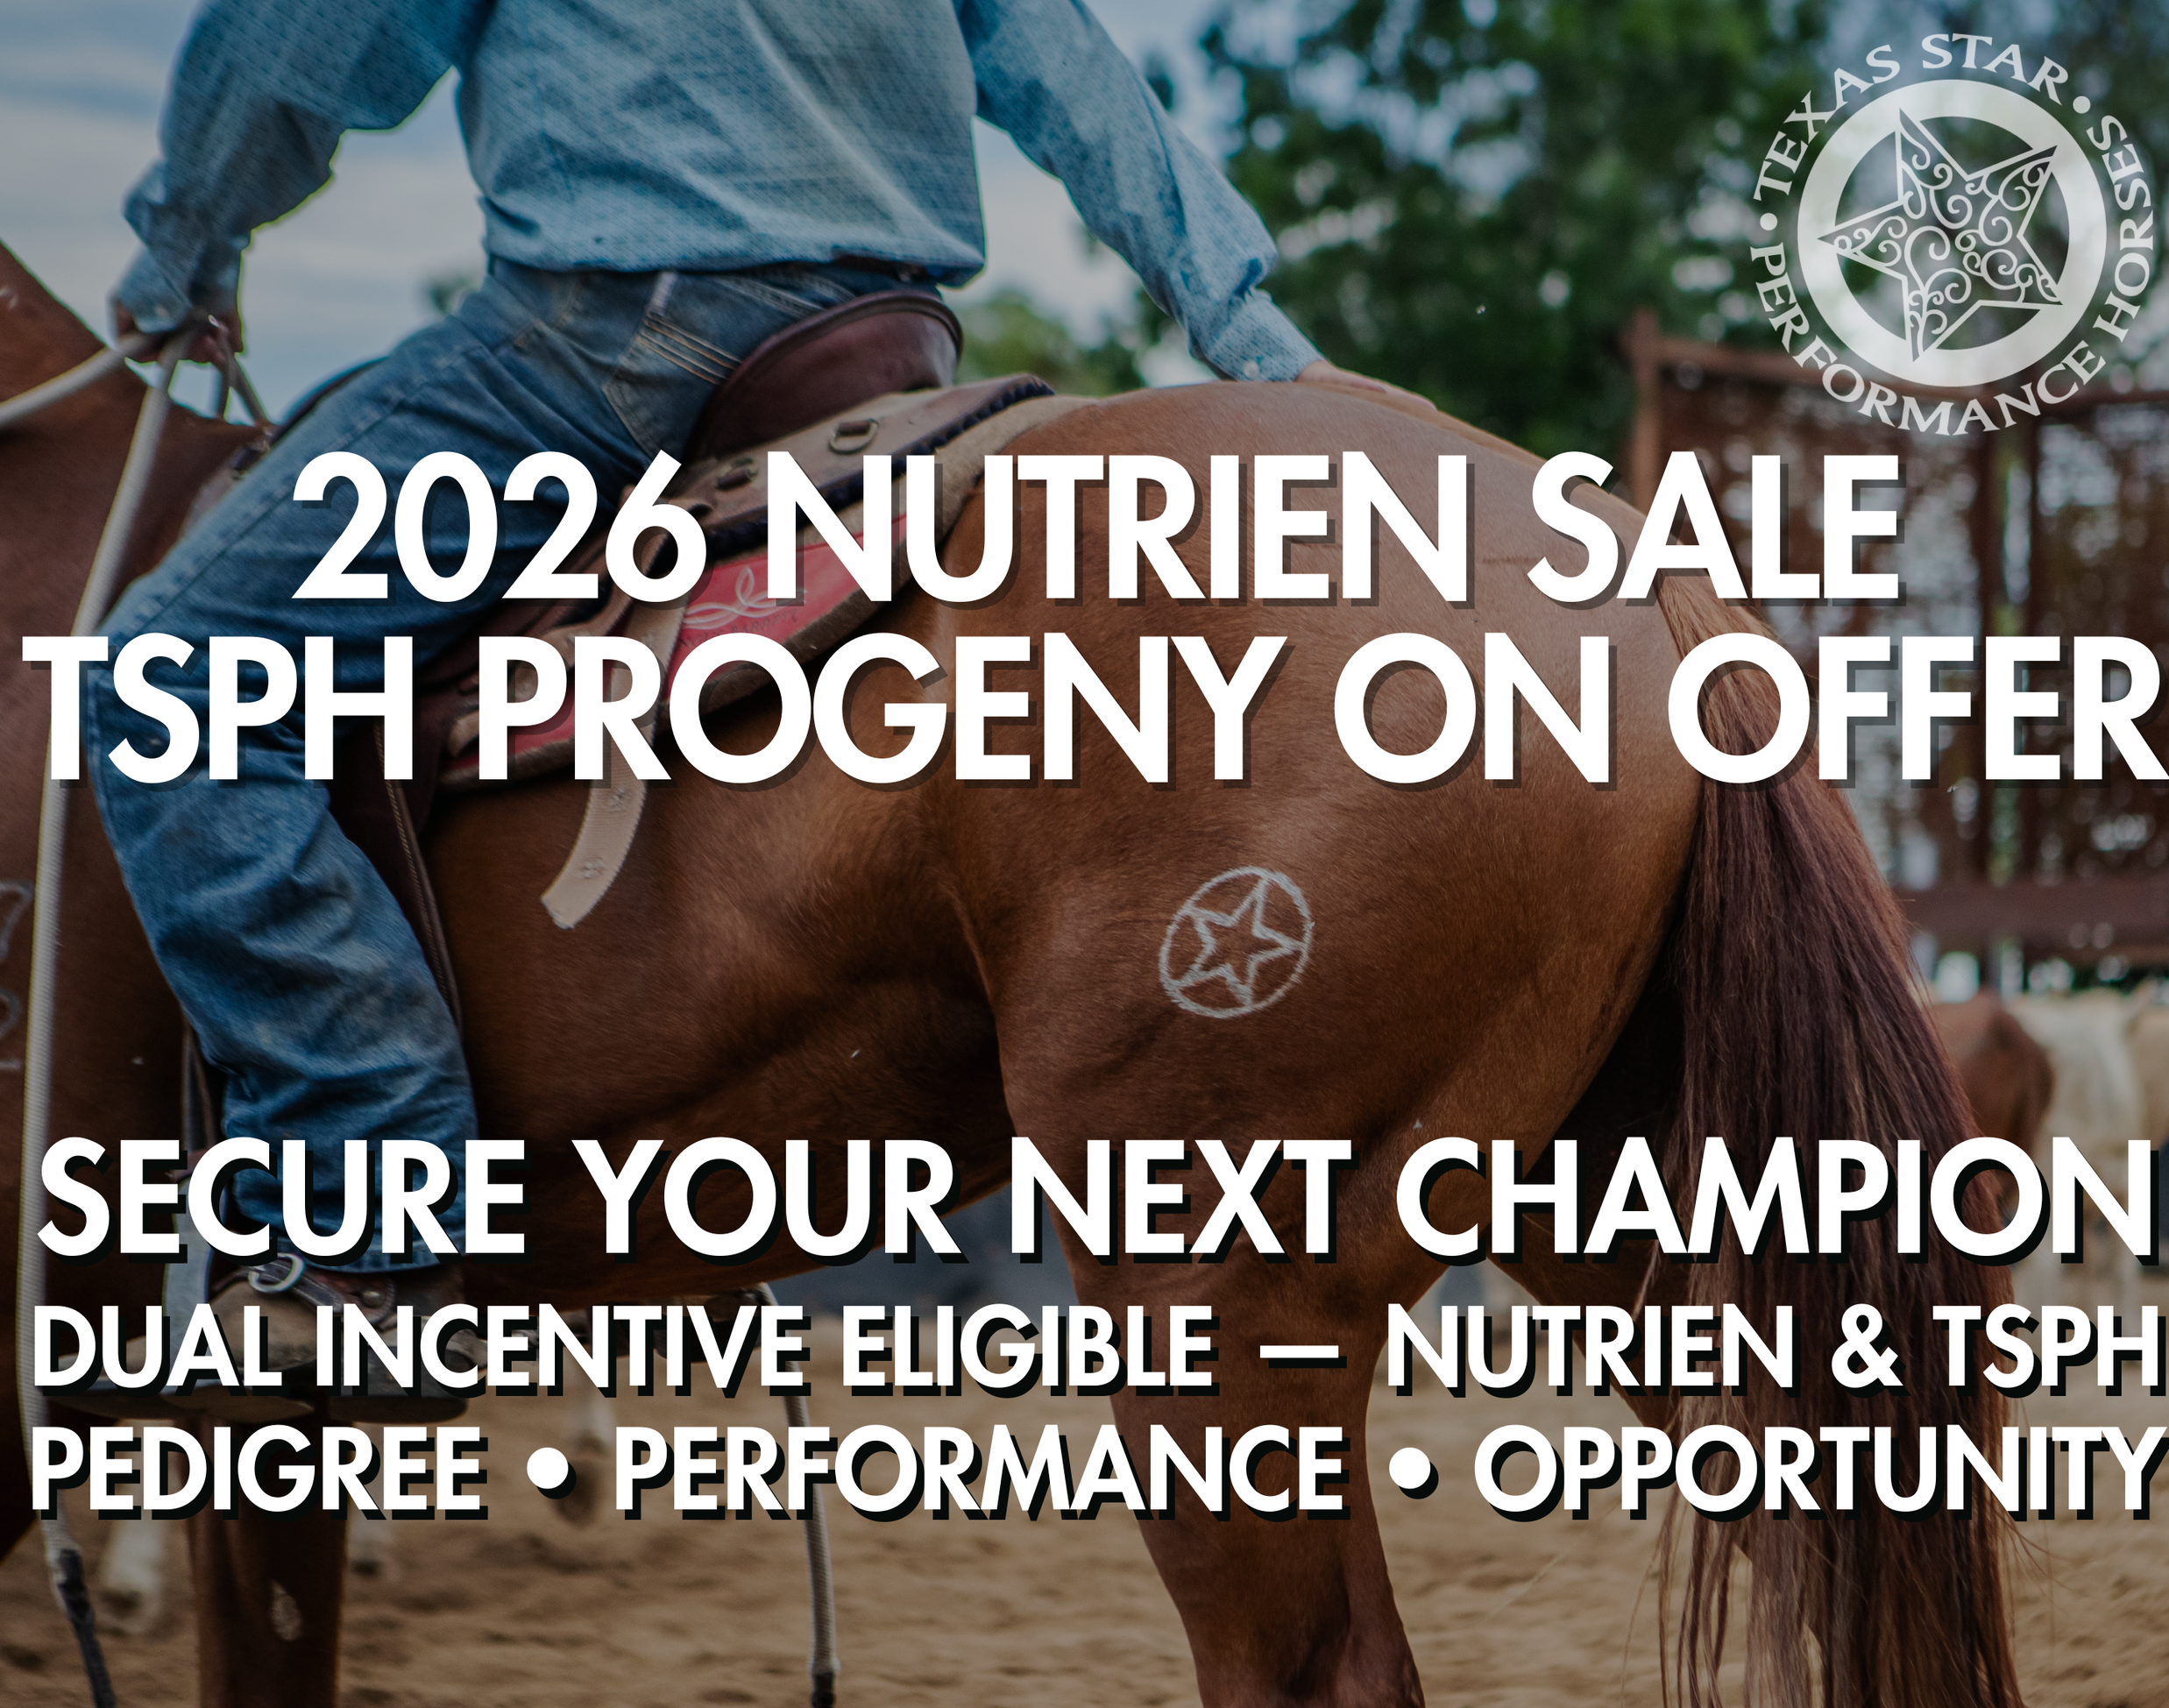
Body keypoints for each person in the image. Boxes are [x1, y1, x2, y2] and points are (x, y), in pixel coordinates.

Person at [87, 0, 1405, 1377]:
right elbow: (1060, 66)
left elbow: (304, 50)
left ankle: (355, 1197)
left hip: (604, 346)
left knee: (168, 675)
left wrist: (189, 246)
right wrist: (1253, 335)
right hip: (896, 344)